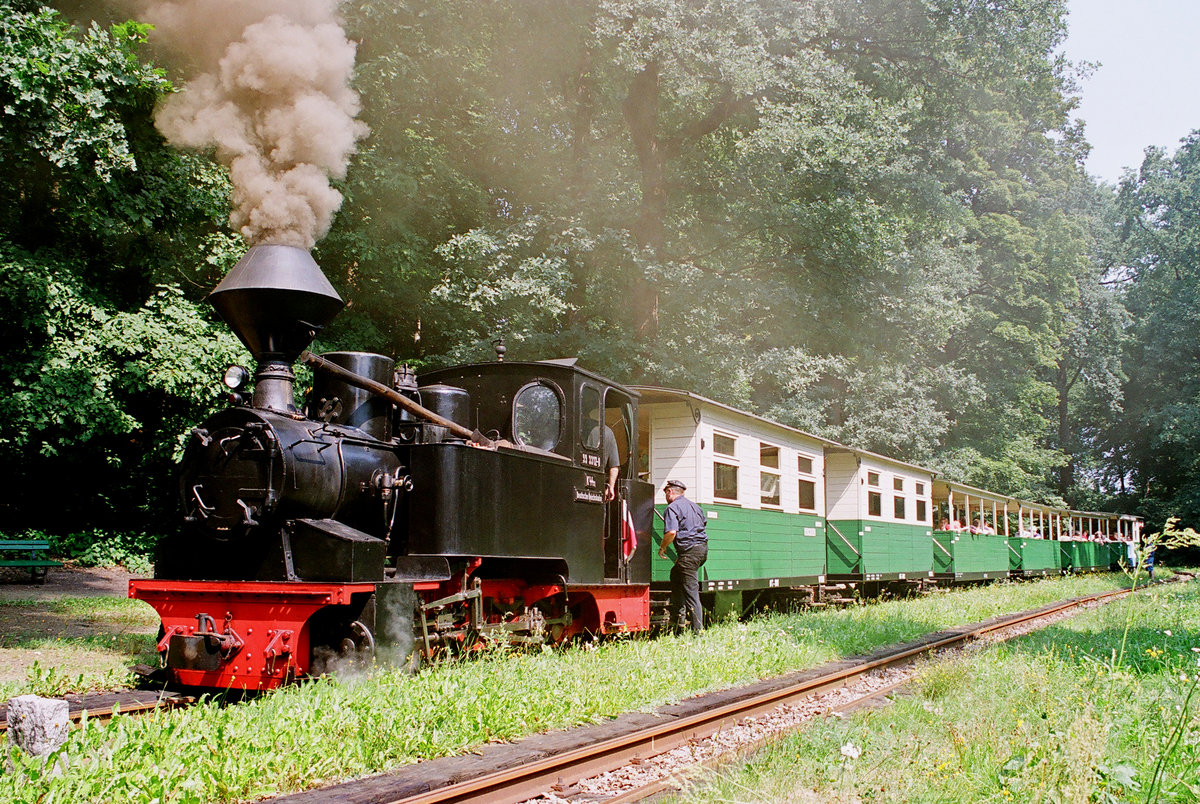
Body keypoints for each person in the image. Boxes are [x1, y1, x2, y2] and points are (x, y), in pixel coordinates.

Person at [658, 480, 708, 633]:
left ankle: (697, 631)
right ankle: (679, 618)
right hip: (702, 550)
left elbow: (671, 532)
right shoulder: (695, 507)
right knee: (676, 574)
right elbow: (702, 526)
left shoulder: (672, 507)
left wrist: (663, 547)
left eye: (665, 493)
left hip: (689, 553)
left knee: (691, 591)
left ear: (670, 492)